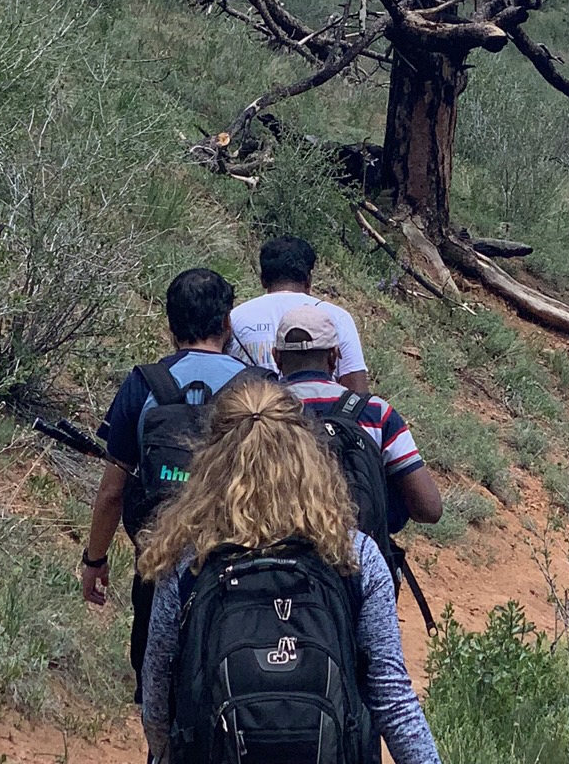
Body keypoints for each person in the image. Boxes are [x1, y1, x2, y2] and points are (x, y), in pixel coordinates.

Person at [138, 374, 442, 764]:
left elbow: (157, 697)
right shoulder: (353, 555)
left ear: (211, 459)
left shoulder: (188, 559)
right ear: (307, 456)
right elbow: (392, 699)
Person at [80, 267, 256, 696]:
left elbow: (112, 491)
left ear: (170, 325)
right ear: (227, 322)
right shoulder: (259, 389)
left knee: (156, 691)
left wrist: (94, 559)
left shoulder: (143, 384)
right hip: (242, 565)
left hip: (159, 561)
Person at [272, 303, 442, 533]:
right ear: (334, 356)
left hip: (278, 546)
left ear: (277, 357)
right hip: (357, 548)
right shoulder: (376, 413)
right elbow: (429, 509)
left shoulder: (259, 411)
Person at [231, 234, 370, 392]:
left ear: (263, 279)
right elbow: (357, 389)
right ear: (309, 279)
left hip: (253, 406)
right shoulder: (336, 317)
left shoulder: (235, 317)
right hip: (321, 406)